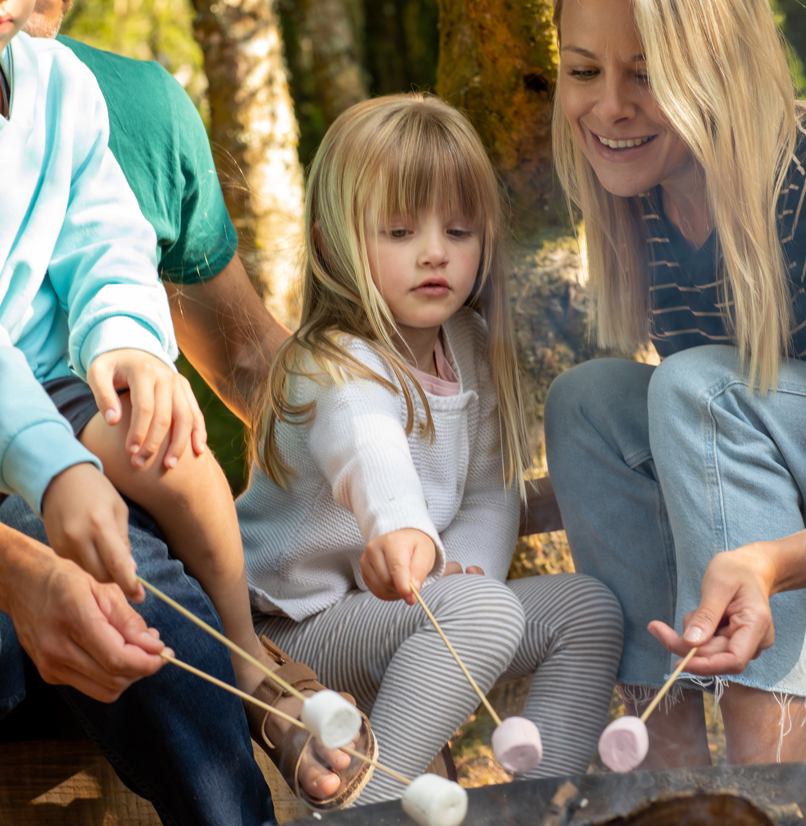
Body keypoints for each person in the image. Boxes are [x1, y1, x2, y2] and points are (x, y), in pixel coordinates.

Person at [0, 2, 367, 821]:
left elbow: (102, 236)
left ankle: (244, 658)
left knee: (166, 467)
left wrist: (127, 342)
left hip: (49, 383)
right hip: (15, 426)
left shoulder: (60, 85)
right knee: (106, 579)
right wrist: (56, 471)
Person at [236, 92, 624, 805]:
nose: (435, 253)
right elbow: (365, 442)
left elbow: (486, 488)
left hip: (403, 606)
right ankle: (370, 808)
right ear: (333, 246)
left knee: (588, 609)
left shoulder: (470, 346)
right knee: (486, 612)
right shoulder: (332, 361)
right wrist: (401, 527)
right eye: (399, 230)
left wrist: (468, 562)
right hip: (298, 626)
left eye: (458, 229)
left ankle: (541, 806)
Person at [543, 0, 806, 768]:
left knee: (701, 389)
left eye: (649, 76)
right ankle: (664, 769)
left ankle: (779, 772)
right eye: (583, 71)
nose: (610, 107)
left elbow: (718, 415)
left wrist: (771, 565)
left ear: (719, 73)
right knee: (586, 404)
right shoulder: (650, 201)